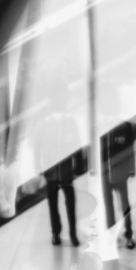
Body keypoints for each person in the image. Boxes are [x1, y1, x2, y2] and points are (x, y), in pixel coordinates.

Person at [33, 81, 82, 246]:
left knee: (71, 202)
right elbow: (36, 147)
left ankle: (73, 233)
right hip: (51, 171)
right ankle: (56, 232)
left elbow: (77, 146)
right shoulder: (43, 125)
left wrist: (79, 165)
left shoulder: (70, 122)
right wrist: (38, 167)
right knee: (53, 204)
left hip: (67, 171)